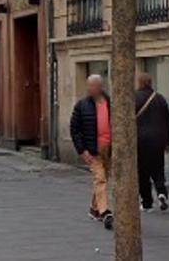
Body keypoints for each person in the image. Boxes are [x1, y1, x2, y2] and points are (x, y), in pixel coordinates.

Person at [69, 74, 114, 229]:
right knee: (100, 178)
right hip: (92, 150)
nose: (89, 89)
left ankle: (94, 209)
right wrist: (82, 151)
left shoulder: (110, 103)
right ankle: (105, 212)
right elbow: (74, 130)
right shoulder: (82, 106)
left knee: (103, 179)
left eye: (92, 86)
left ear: (100, 87)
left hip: (109, 149)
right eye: (88, 86)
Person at [135, 72, 169, 212]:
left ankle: (147, 203)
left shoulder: (134, 97)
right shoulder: (160, 98)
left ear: (139, 82)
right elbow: (168, 121)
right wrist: (168, 141)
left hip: (141, 141)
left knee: (143, 172)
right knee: (158, 168)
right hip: (158, 140)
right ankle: (161, 193)